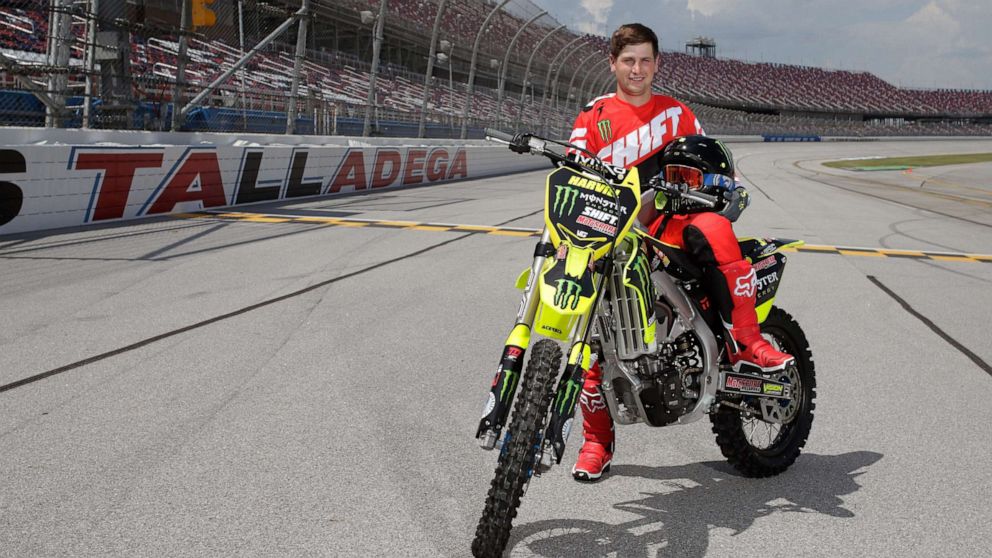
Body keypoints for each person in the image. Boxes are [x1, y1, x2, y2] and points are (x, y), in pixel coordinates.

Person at [566, 23, 795, 482]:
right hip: (607, 236)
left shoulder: (678, 114)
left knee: (712, 226)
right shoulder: (592, 116)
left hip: (665, 229)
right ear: (613, 64)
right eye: (628, 60)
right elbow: (571, 177)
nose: (637, 69)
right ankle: (596, 443)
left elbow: (714, 167)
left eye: (646, 60)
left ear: (656, 63)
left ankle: (749, 342)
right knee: (590, 346)